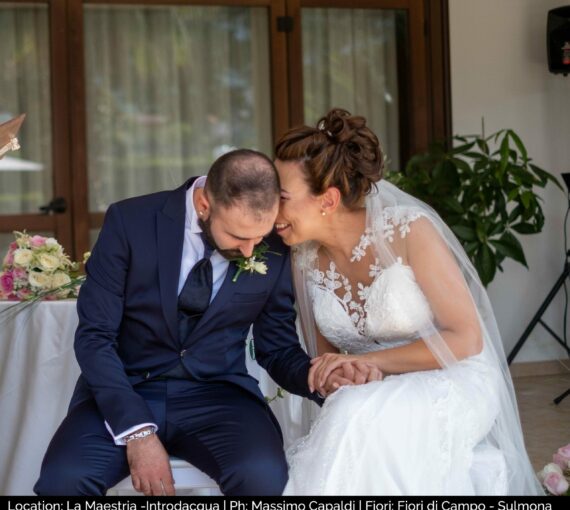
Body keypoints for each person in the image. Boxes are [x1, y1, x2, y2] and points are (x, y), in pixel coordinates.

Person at [33, 149, 370, 496]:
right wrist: (137, 432)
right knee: (64, 480)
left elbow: (277, 347)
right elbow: (95, 338)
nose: (252, 251)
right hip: (125, 390)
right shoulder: (130, 221)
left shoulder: (273, 245)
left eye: (260, 236)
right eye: (239, 237)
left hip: (220, 398)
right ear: (205, 205)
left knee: (264, 477)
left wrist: (320, 378)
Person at [273, 109, 543, 495]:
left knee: (357, 416)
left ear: (327, 200)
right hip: (370, 390)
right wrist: (345, 375)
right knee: (351, 411)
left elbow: (466, 339)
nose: (272, 211)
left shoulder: (408, 231)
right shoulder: (303, 260)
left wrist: (367, 362)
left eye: (281, 197)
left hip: (453, 377)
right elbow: (328, 360)